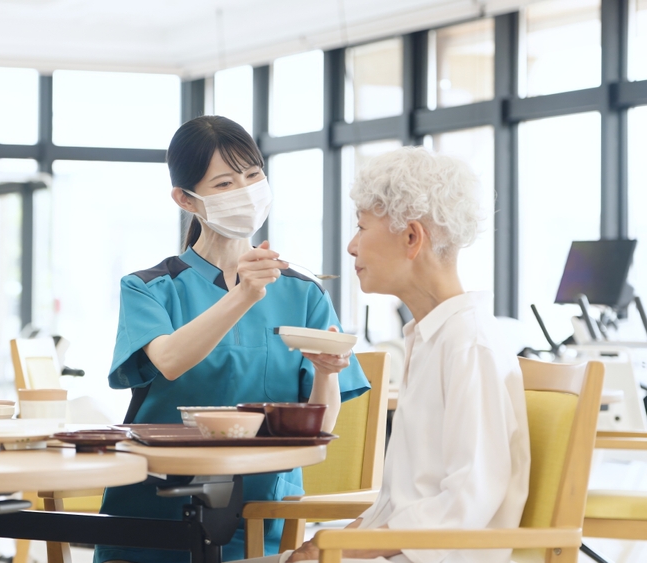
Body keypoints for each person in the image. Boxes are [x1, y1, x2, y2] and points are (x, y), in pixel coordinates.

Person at [97, 116, 370, 563]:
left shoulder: (304, 293)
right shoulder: (148, 287)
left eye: (252, 176)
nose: (244, 191)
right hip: (153, 517)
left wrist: (325, 373)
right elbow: (168, 360)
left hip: (260, 516)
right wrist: (245, 293)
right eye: (224, 183)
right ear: (186, 199)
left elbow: (319, 426)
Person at [249, 147, 531, 563]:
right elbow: (401, 503)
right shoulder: (433, 337)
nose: (351, 246)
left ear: (412, 238)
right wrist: (324, 546)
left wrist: (342, 548)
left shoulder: (469, 344)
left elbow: (467, 502)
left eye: (362, 227)